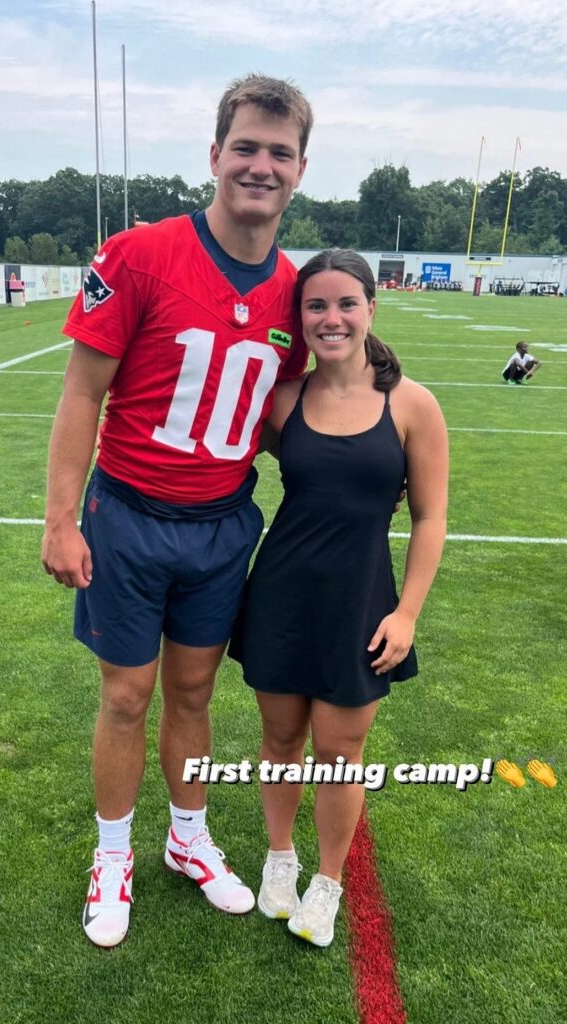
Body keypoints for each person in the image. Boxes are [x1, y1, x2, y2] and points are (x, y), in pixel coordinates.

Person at [41, 74, 313, 947]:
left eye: (279, 152)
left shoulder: (296, 295)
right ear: (215, 155)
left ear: (300, 169)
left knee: (194, 692)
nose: (260, 166)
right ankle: (112, 853)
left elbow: (280, 416)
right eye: (247, 146)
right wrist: (59, 518)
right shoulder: (143, 252)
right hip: (128, 515)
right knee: (128, 695)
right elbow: (83, 394)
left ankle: (186, 838)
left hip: (223, 522)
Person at [230, 249, 449, 948]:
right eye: (316, 306)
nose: (331, 318)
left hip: (361, 603)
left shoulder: (412, 404)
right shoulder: (285, 399)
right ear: (300, 318)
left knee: (340, 752)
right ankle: (278, 860)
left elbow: (431, 518)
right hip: (282, 594)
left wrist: (407, 611)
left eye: (345, 304)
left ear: (370, 309)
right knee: (280, 740)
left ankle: (326, 884)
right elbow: (225, 449)